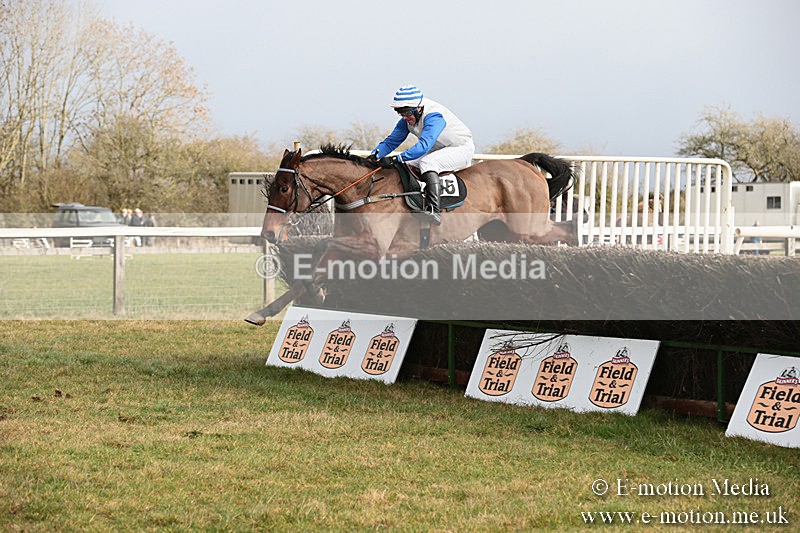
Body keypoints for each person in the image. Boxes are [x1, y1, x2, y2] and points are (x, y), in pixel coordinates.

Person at [369, 85, 475, 226]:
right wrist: (375, 155)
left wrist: (397, 157)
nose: (404, 117)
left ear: (418, 108)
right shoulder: (406, 119)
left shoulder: (434, 116)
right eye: (400, 112)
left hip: (460, 148)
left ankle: (433, 210)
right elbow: (391, 142)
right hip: (438, 149)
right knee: (404, 165)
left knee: (428, 163)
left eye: (407, 112)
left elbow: (424, 145)